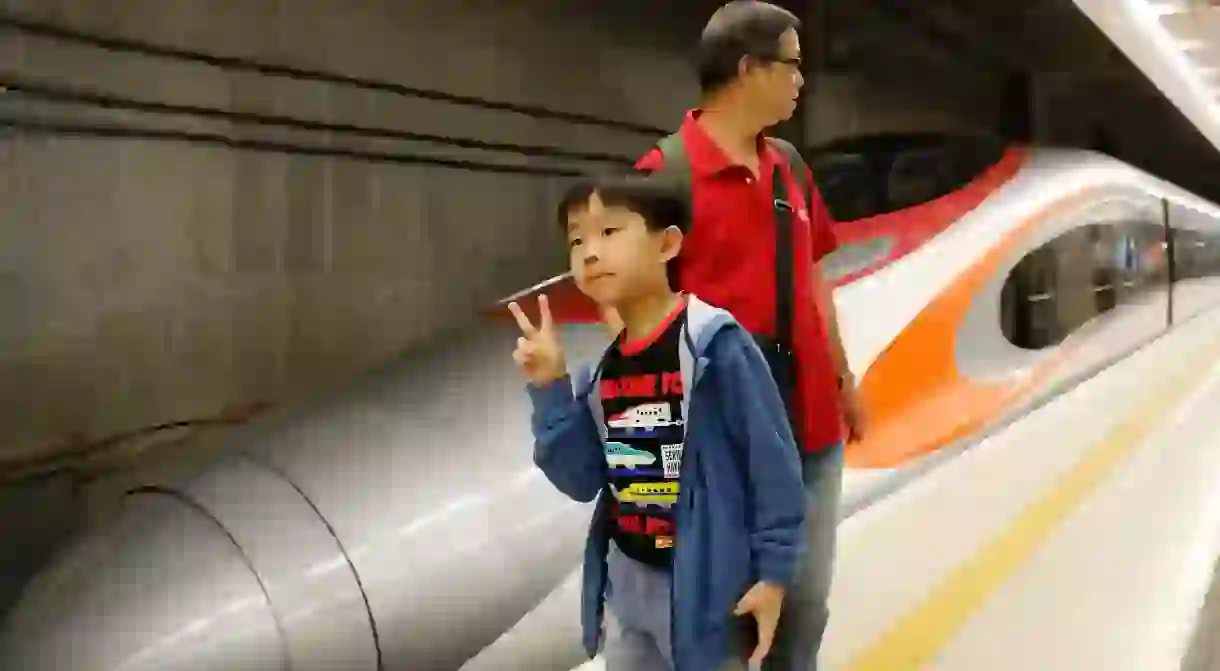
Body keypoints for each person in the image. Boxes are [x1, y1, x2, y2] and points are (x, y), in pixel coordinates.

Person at [631, 2, 869, 669]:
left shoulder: (789, 166)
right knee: (733, 622)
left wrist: (843, 380)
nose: (802, 81)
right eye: (793, 65)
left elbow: (812, 277)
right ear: (748, 69)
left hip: (812, 432)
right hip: (724, 451)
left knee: (807, 605)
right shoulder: (663, 176)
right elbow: (629, 315)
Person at [508, 175, 807, 670]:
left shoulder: (715, 347)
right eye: (577, 240)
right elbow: (582, 480)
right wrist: (551, 387)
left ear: (667, 243)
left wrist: (774, 575)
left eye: (609, 233)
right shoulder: (603, 373)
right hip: (629, 581)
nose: (589, 253)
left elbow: (771, 462)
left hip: (708, 588)